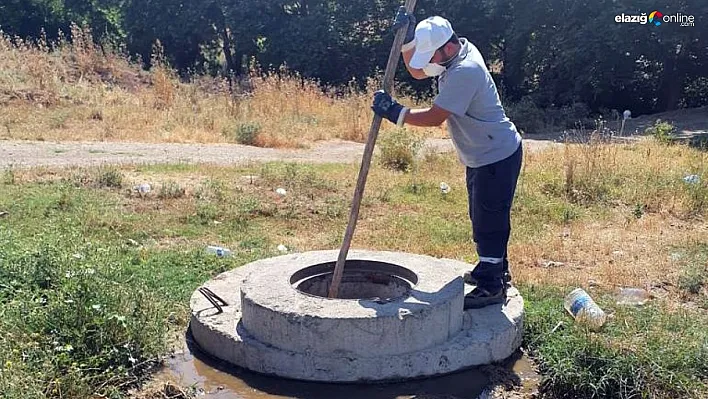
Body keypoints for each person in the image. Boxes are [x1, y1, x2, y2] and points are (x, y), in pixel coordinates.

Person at [371, 8, 523, 309]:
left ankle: (492, 286)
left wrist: (394, 113)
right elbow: (417, 70)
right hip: (482, 154)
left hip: (496, 155)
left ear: (448, 48)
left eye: (432, 55)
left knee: (488, 219)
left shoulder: (465, 70)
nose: (430, 62)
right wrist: (406, 41)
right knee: (481, 215)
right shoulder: (452, 55)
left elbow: (434, 117)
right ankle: (494, 270)